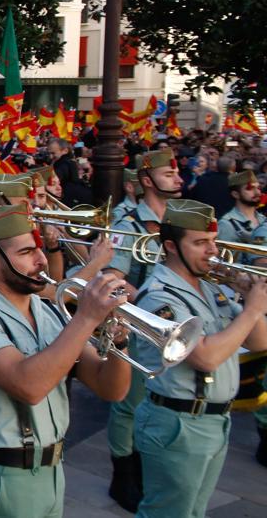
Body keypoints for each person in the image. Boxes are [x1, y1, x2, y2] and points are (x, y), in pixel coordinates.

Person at [0, 203, 132, 518]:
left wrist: (119, 339)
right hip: (3, 479)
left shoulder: (46, 310)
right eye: (26, 252)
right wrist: (85, 318)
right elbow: (29, 385)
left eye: (39, 249)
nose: (41, 259)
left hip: (52, 472)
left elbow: (110, 388)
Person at [133, 199, 267, 517]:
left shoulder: (209, 288)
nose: (212, 251)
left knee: (192, 512)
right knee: (168, 513)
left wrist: (248, 297)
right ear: (171, 246)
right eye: (200, 243)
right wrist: (251, 310)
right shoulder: (159, 295)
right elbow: (205, 357)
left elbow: (260, 340)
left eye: (213, 242)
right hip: (178, 423)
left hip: (212, 420)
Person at [102, 148, 181, 511]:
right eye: (169, 173)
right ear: (147, 180)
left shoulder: (180, 220)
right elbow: (113, 275)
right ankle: (123, 474)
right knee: (129, 405)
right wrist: (148, 300)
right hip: (137, 327)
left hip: (175, 326)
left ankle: (148, 463)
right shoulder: (129, 222)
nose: (178, 178)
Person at [216, 170, 262, 243]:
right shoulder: (227, 225)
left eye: (258, 188)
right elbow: (226, 254)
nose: (257, 192)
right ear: (235, 194)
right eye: (249, 188)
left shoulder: (263, 219)